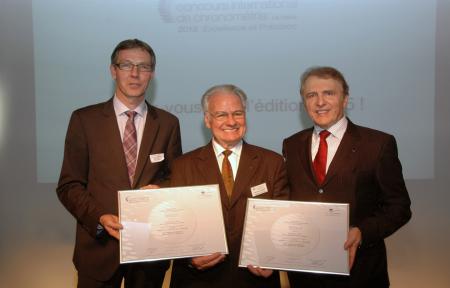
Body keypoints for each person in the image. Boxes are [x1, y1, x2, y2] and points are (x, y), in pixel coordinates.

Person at [56, 38, 182, 288]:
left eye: (143, 67)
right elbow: (69, 185)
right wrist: (99, 217)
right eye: (126, 65)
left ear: (152, 74)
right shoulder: (84, 120)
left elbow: (175, 178)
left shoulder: (168, 123)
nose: (135, 74)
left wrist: (163, 190)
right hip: (98, 249)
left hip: (150, 253)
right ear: (113, 70)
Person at [282, 66, 412, 287]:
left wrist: (362, 231)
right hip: (304, 275)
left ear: (345, 99)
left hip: (360, 273)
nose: (320, 102)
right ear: (304, 102)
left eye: (329, 93)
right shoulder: (291, 144)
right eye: (311, 95)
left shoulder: (378, 144)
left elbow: (399, 207)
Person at [169, 84, 289, 288]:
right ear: (207, 120)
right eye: (221, 115)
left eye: (238, 113)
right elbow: (175, 227)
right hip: (199, 281)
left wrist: (273, 258)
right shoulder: (183, 166)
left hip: (255, 280)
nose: (231, 121)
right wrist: (188, 259)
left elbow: (283, 223)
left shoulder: (273, 162)